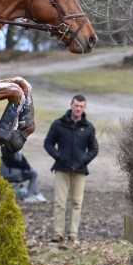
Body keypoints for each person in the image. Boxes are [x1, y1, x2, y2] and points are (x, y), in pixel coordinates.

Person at [43, 95, 98, 241]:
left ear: (84, 108)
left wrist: (85, 159)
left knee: (76, 202)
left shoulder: (88, 127)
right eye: (76, 105)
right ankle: (58, 233)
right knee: (60, 202)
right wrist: (58, 156)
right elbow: (48, 143)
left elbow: (94, 149)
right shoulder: (58, 124)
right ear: (71, 105)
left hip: (80, 170)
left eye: (81, 106)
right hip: (62, 168)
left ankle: (73, 234)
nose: (78, 108)